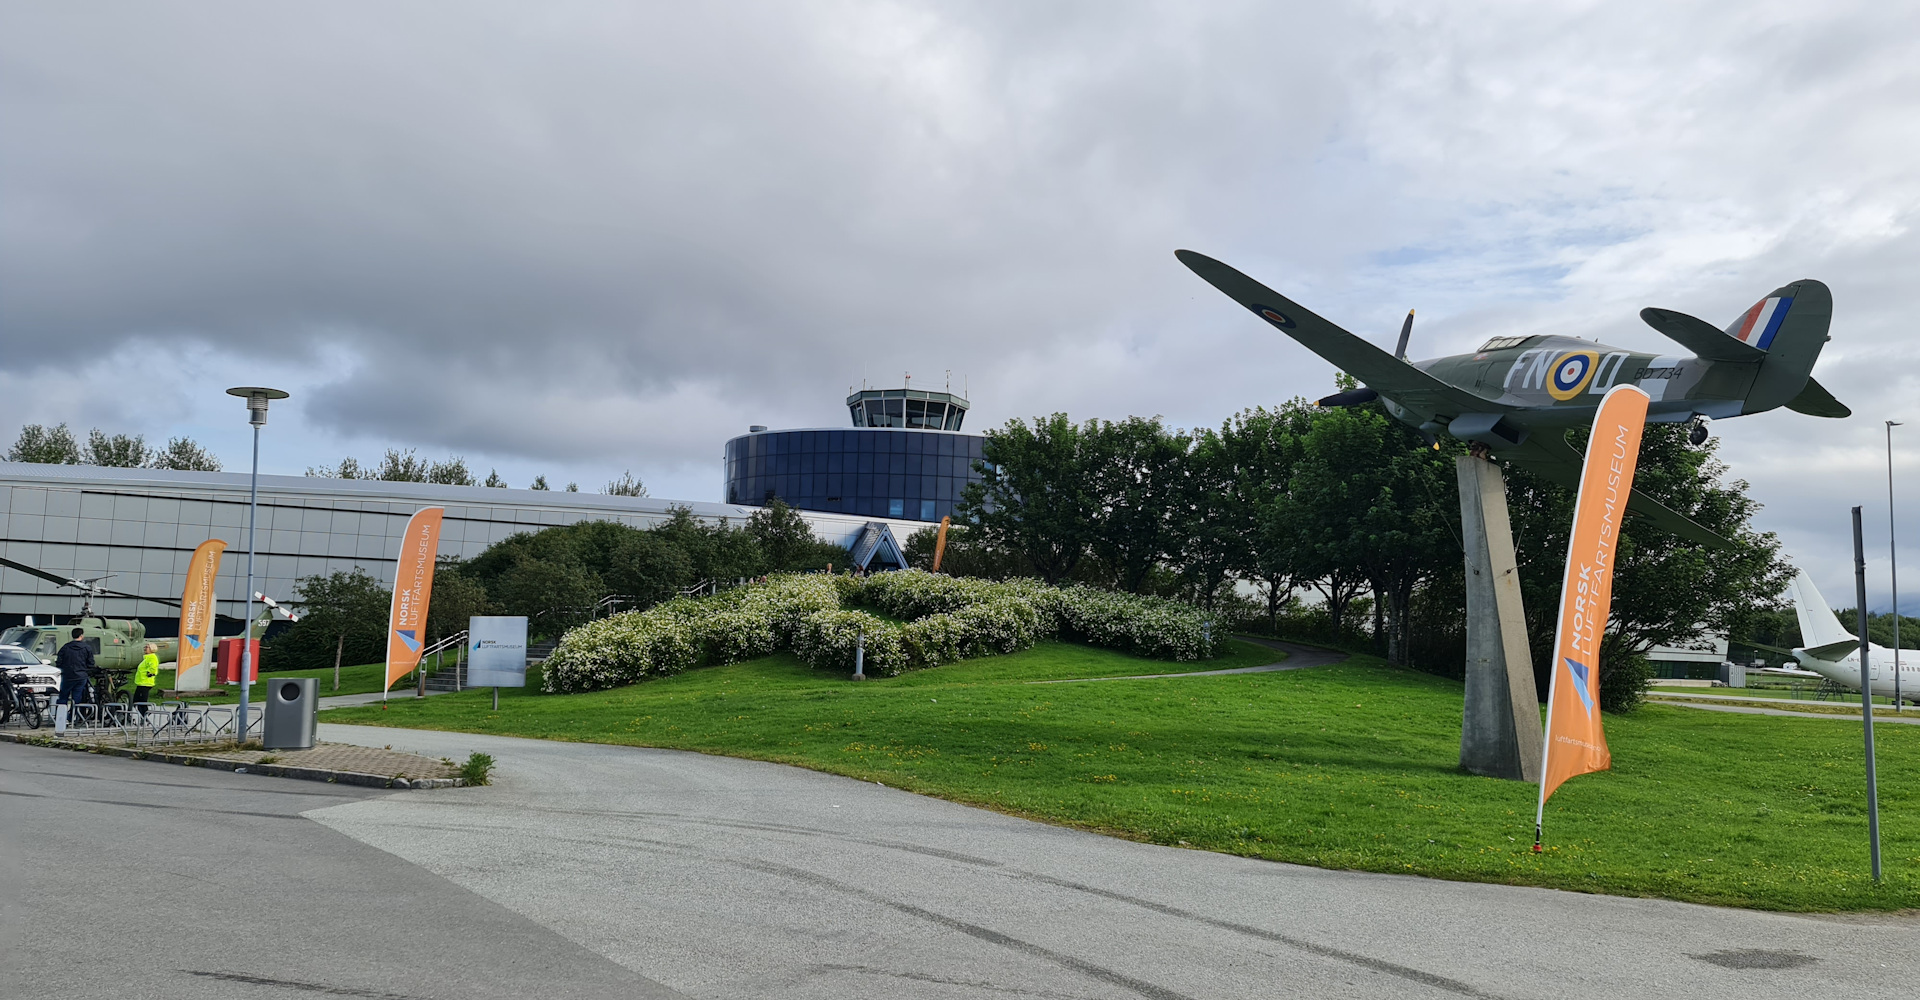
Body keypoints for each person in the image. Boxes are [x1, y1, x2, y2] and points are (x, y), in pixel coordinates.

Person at [53, 628, 96, 726]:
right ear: (81, 636)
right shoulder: (86, 648)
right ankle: (73, 717)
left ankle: (61, 717)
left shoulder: (66, 647)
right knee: (77, 698)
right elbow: (91, 663)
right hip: (81, 676)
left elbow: (59, 661)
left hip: (68, 676)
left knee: (63, 696)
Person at [131, 643, 161, 719]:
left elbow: (153, 667)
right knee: (137, 701)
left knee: (141, 701)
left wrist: (150, 673)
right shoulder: (147, 658)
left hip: (146, 683)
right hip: (141, 682)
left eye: (147, 647)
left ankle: (145, 714)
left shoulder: (152, 658)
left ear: (151, 649)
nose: (145, 648)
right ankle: (144, 715)